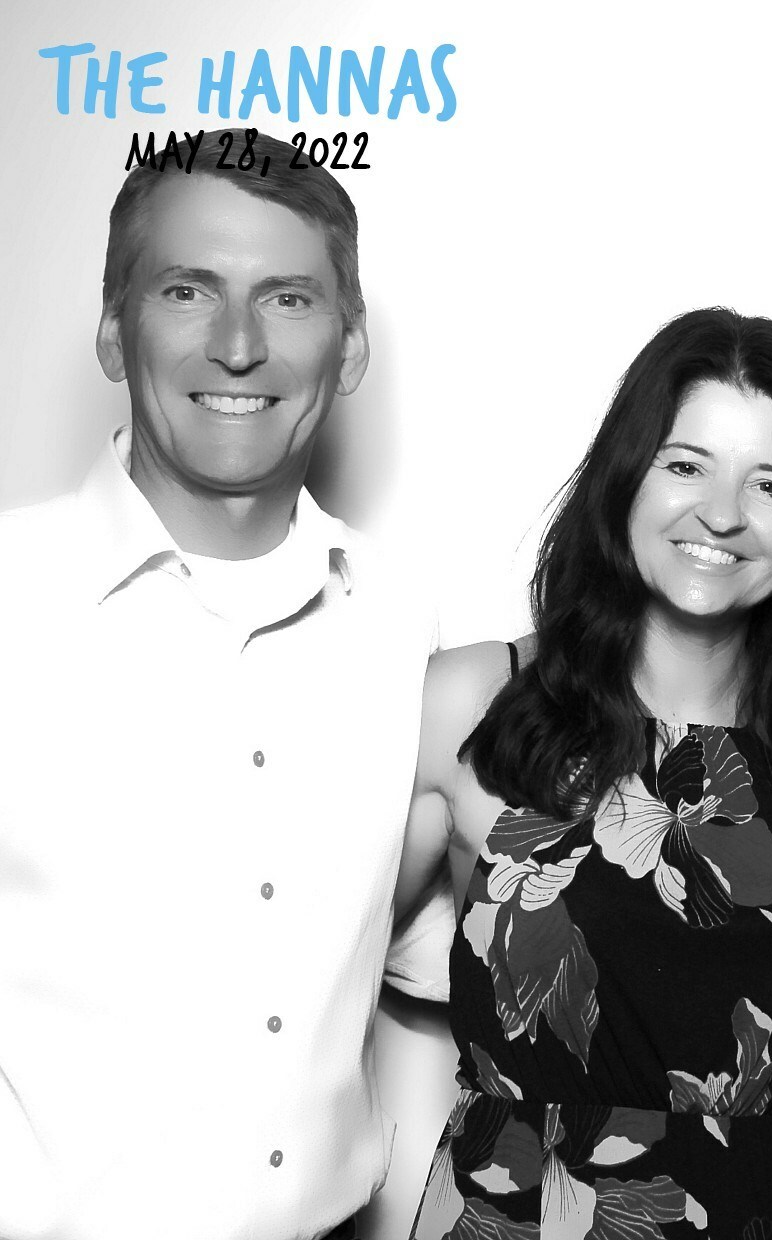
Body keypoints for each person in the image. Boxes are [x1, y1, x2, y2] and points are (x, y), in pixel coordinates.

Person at [0, 131, 432, 1238]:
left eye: (287, 299)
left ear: (350, 346)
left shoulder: (402, 627)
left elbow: (439, 950)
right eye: (188, 290)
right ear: (113, 328)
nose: (239, 347)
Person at [399, 308, 772, 1239]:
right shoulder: (475, 700)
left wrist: (747, 1150)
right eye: (685, 465)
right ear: (623, 478)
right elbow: (307, 981)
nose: (723, 513)